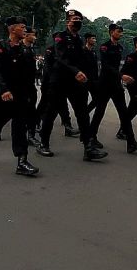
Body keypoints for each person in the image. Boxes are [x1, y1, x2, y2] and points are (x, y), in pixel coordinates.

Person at [37, 9, 107, 161]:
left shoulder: (79, 40)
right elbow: (61, 58)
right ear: (67, 21)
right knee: (50, 113)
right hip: (60, 81)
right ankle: (43, 143)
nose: (77, 21)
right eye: (74, 18)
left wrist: (89, 78)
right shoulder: (60, 38)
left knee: (82, 114)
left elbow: (82, 60)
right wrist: (76, 71)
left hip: (76, 83)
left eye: (79, 19)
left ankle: (88, 148)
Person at [0, 16, 40, 176]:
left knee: (20, 128)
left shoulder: (25, 50)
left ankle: (22, 161)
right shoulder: (1, 47)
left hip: (19, 97)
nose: (25, 30)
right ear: (12, 29)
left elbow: (29, 75)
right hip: (0, 96)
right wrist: (3, 90)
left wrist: (29, 95)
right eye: (22, 27)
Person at [90, 24, 137, 153]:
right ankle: (91, 137)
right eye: (118, 32)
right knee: (99, 112)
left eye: (121, 32)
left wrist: (120, 77)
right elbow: (106, 66)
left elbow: (116, 66)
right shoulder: (104, 47)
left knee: (124, 114)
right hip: (104, 84)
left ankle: (131, 143)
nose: (121, 34)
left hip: (116, 84)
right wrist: (122, 75)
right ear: (111, 32)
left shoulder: (120, 48)